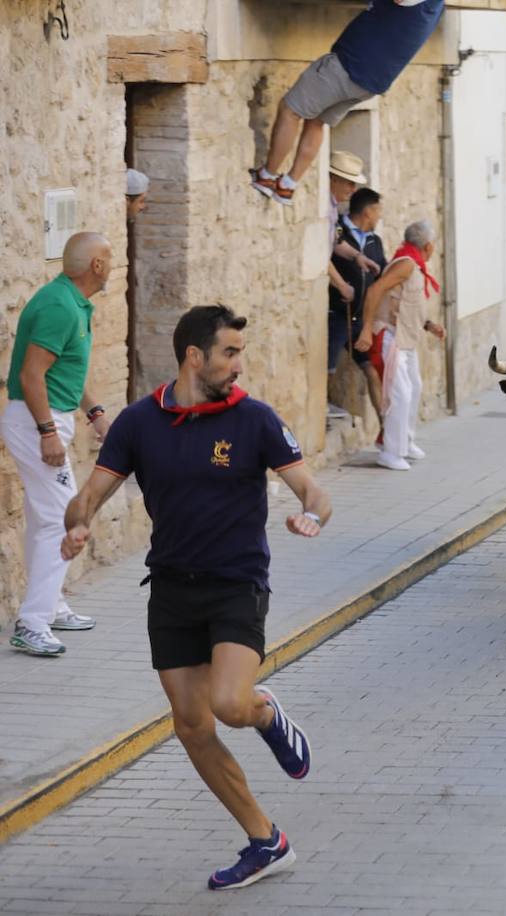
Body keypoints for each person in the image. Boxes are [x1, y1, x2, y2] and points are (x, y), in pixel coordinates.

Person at [60, 304, 331, 889]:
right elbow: (90, 495)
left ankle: (266, 713)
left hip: (236, 582)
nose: (238, 364)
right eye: (229, 353)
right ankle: (267, 841)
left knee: (231, 707)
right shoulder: (138, 423)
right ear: (193, 356)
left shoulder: (254, 418)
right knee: (190, 724)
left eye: (239, 352)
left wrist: (312, 514)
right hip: (170, 589)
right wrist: (78, 524)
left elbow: (312, 488)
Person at [3, 233, 112, 656]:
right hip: (36, 423)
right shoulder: (59, 306)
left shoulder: (73, 303)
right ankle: (33, 623)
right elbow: (32, 375)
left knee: (42, 517)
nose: (112, 263)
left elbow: (65, 369)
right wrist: (48, 432)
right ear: (96, 267)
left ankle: (52, 605)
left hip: (47, 419)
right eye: (108, 257)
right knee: (64, 519)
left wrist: (95, 412)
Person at [249, 0, 444, 204]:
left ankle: (267, 177)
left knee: (290, 111)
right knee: (317, 122)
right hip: (370, 83)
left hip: (349, 67)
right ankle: (288, 186)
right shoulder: (437, 6)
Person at [353, 220, 447, 471]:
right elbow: (375, 291)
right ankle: (390, 451)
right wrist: (366, 330)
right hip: (389, 337)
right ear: (428, 245)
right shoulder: (405, 264)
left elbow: (407, 304)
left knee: (413, 388)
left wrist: (429, 325)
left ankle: (405, 441)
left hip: (406, 338)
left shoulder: (412, 263)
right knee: (399, 394)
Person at [329, 188, 388, 423]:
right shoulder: (337, 229)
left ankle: (386, 429)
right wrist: (342, 286)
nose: (379, 217)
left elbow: (383, 276)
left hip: (361, 321)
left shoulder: (375, 240)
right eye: (378, 211)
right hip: (336, 315)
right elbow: (326, 254)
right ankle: (322, 413)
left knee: (371, 370)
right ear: (368, 211)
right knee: (328, 370)